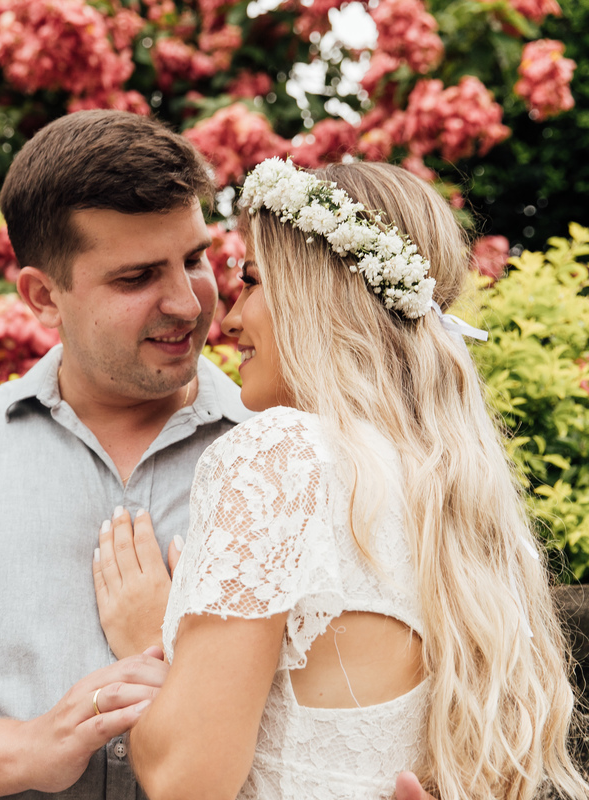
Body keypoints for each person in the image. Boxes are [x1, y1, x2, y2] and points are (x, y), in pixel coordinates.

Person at [0, 111, 440, 800]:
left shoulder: (314, 459)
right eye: (137, 278)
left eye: (196, 259)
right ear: (43, 296)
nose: (190, 303)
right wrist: (25, 749)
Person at [106, 159, 588, 800]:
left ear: (313, 290)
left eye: (250, 281)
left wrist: (151, 640)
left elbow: (184, 780)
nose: (228, 318)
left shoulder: (282, 454)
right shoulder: (457, 493)